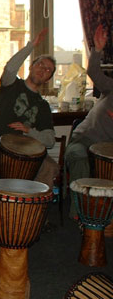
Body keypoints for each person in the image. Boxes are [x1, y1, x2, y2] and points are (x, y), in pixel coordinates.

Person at [0, 29, 59, 235]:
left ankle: (34, 218)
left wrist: (30, 130)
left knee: (50, 167)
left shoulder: (43, 106)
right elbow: (10, 67)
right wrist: (30, 46)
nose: (43, 70)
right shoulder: (12, 85)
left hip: (27, 148)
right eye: (40, 65)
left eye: (48, 70)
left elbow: (50, 140)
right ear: (32, 66)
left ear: (48, 79)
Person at [65, 24, 113, 218]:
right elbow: (94, 73)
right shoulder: (111, 87)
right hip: (83, 141)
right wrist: (98, 50)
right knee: (79, 157)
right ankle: (79, 212)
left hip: (107, 151)